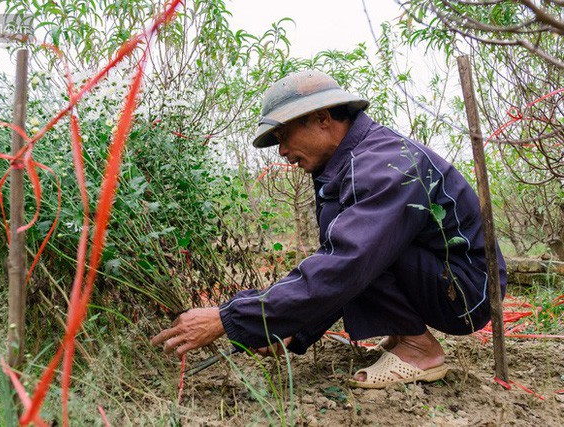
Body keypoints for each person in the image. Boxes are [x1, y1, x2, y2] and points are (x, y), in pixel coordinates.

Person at [152, 70, 507, 388]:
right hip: (440, 277)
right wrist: (294, 328)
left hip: (468, 292)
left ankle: (420, 349)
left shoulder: (384, 164)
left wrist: (228, 318)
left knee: (360, 251)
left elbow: (348, 263)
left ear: (322, 118)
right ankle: (404, 333)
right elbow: (338, 260)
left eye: (284, 135)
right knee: (357, 245)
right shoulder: (348, 164)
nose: (283, 152)